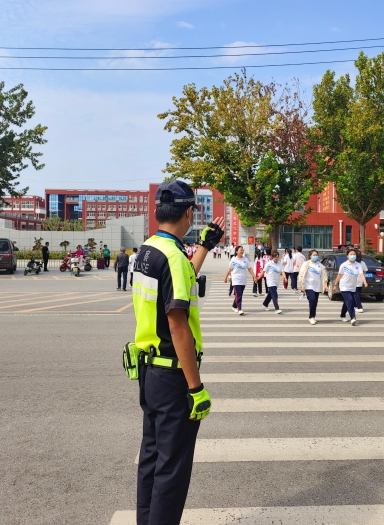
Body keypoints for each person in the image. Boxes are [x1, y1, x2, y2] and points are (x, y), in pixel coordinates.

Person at [131, 180, 224, 525]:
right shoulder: (171, 256)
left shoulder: (148, 250)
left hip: (149, 373)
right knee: (172, 471)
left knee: (152, 462)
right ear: (188, 212)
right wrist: (196, 388)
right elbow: (177, 325)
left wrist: (203, 247)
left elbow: (180, 278)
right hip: (173, 378)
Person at [333, 248, 366, 326]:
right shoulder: (344, 265)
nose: (353, 256)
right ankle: (353, 318)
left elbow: (361, 274)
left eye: (354, 254)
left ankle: (342, 315)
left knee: (347, 302)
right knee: (350, 300)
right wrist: (335, 285)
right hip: (344, 286)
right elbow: (339, 275)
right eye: (351, 254)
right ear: (347, 256)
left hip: (352, 286)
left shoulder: (358, 265)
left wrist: (364, 282)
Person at [223, 245, 256, 315]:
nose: (242, 251)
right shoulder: (233, 260)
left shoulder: (245, 260)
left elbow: (249, 269)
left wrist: (254, 276)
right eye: (240, 250)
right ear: (236, 251)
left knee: (239, 294)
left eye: (242, 250)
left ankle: (234, 306)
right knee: (239, 294)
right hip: (235, 279)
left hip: (243, 279)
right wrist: (225, 277)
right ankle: (240, 309)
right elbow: (229, 269)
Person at [299, 249, 328, 325]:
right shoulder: (306, 264)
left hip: (317, 286)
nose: (315, 256)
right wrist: (302, 285)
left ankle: (313, 316)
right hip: (308, 285)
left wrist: (325, 285)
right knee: (312, 299)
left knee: (315, 302)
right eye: (313, 255)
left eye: (316, 255)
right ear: (310, 256)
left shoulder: (321, 266)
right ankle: (311, 317)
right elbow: (301, 275)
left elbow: (324, 276)